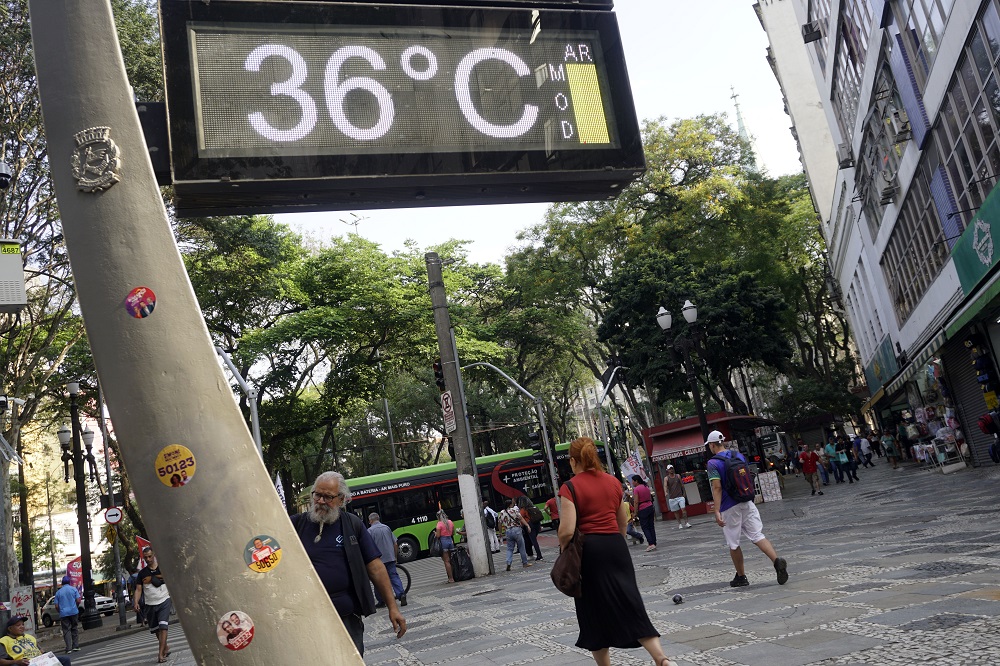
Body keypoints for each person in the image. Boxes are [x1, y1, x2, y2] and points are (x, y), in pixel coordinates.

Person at [558, 437, 676, 666]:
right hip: (615, 546)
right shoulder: (613, 482)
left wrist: (564, 551)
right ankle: (662, 659)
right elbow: (622, 521)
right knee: (631, 602)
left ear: (573, 461)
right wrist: (616, 542)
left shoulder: (570, 487)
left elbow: (566, 530)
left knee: (592, 611)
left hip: (589, 551)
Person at [292, 472, 404, 656]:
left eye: (328, 497)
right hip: (307, 619)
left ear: (341, 499)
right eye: (317, 495)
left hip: (346, 617)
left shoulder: (353, 524)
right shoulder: (296, 525)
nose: (320, 501)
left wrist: (393, 607)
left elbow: (376, 568)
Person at [706, 430, 788, 588]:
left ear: (711, 445)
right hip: (747, 501)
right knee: (757, 535)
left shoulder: (713, 463)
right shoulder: (738, 456)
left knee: (733, 543)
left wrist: (716, 510)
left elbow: (717, 487)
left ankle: (741, 577)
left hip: (729, 506)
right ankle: (776, 561)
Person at [134, 546, 171, 663]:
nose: (148, 559)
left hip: (164, 600)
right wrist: (135, 602)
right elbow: (138, 589)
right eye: (146, 558)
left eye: (150, 556)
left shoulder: (163, 568)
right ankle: (165, 646)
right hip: (150, 604)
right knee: (155, 629)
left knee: (163, 626)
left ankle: (160, 654)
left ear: (154, 554)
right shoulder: (142, 573)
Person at [367, 512, 407, 607]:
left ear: (371, 521)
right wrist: (395, 556)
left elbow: (368, 547)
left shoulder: (369, 531)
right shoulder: (387, 528)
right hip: (390, 557)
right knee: (394, 576)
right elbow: (395, 543)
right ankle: (401, 594)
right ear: (378, 519)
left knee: (378, 580)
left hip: (378, 560)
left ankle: (381, 600)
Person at [0, 616, 71, 666]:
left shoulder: (30, 637)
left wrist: (49, 656)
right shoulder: (4, 641)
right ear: (10, 628)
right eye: (18, 625)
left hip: (40, 661)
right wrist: (17, 662)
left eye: (22, 624)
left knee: (65, 659)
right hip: (24, 663)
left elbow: (41, 650)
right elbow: (1, 661)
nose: (22, 627)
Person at [497, 498, 532, 571]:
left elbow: (499, 523)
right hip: (516, 530)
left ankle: (508, 562)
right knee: (521, 547)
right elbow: (521, 518)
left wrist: (500, 532)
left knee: (509, 548)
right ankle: (525, 563)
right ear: (510, 504)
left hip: (508, 531)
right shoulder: (514, 510)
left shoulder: (502, 512)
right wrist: (527, 525)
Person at [53, 575, 80, 654]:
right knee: (74, 628)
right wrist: (76, 607)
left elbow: (56, 606)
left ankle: (68, 648)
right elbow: (78, 600)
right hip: (74, 612)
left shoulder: (58, 592)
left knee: (66, 630)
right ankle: (75, 646)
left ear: (62, 583)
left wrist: (60, 611)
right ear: (69, 582)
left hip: (64, 613)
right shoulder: (73, 589)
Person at [630, 475, 657, 552]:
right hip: (650, 506)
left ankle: (651, 543)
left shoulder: (636, 489)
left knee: (645, 527)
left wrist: (635, 512)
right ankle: (654, 542)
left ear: (636, 481)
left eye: (633, 481)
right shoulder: (646, 487)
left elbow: (636, 501)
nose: (632, 482)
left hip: (642, 508)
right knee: (651, 526)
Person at [433, 509, 458, 583]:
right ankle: (455, 575)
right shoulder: (450, 522)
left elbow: (438, 536)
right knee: (451, 560)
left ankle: (451, 578)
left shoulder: (439, 524)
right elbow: (452, 533)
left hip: (443, 542)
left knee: (446, 561)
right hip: (450, 541)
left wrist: (435, 533)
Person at [664, 465, 691, 529]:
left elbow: (682, 485)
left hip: (680, 496)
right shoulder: (666, 478)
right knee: (676, 511)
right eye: (670, 469)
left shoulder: (678, 476)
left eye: (672, 468)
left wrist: (684, 493)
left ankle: (686, 522)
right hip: (672, 497)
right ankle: (679, 523)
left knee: (683, 509)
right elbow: (665, 485)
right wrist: (666, 492)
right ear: (667, 470)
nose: (671, 470)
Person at [517, 496, 543, 561]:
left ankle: (539, 555)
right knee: (534, 540)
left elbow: (520, 518)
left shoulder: (523, 509)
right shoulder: (533, 507)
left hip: (529, 525)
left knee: (533, 541)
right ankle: (538, 554)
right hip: (536, 524)